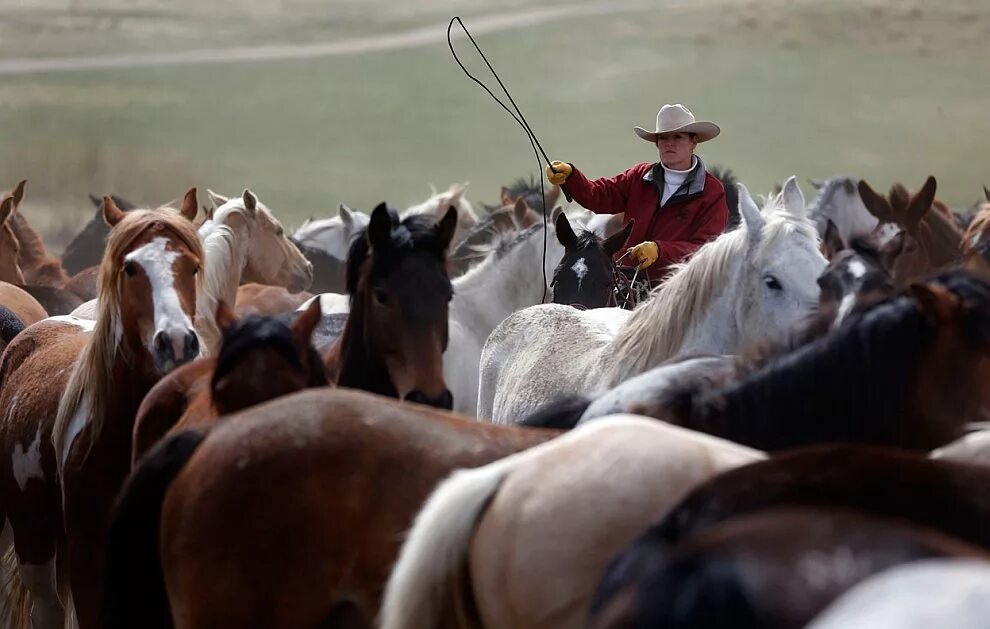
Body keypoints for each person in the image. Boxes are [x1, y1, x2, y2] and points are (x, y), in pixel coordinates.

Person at [546, 103, 729, 280]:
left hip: (676, 289)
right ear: (657, 143)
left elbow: (707, 251)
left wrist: (660, 251)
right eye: (663, 138)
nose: (669, 144)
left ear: (693, 142)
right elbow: (598, 196)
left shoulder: (712, 192)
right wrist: (571, 176)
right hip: (624, 282)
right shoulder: (639, 176)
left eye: (677, 137)